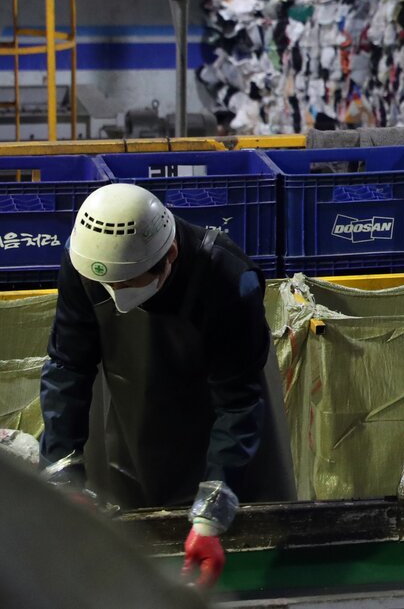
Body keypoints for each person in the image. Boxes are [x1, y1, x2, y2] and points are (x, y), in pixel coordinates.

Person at [39, 184, 292, 588]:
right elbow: (68, 367)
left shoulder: (228, 276)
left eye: (130, 285)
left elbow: (239, 401)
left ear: (169, 255)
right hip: (135, 411)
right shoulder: (85, 262)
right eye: (109, 289)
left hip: (226, 424)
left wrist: (211, 519)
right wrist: (63, 477)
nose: (119, 302)